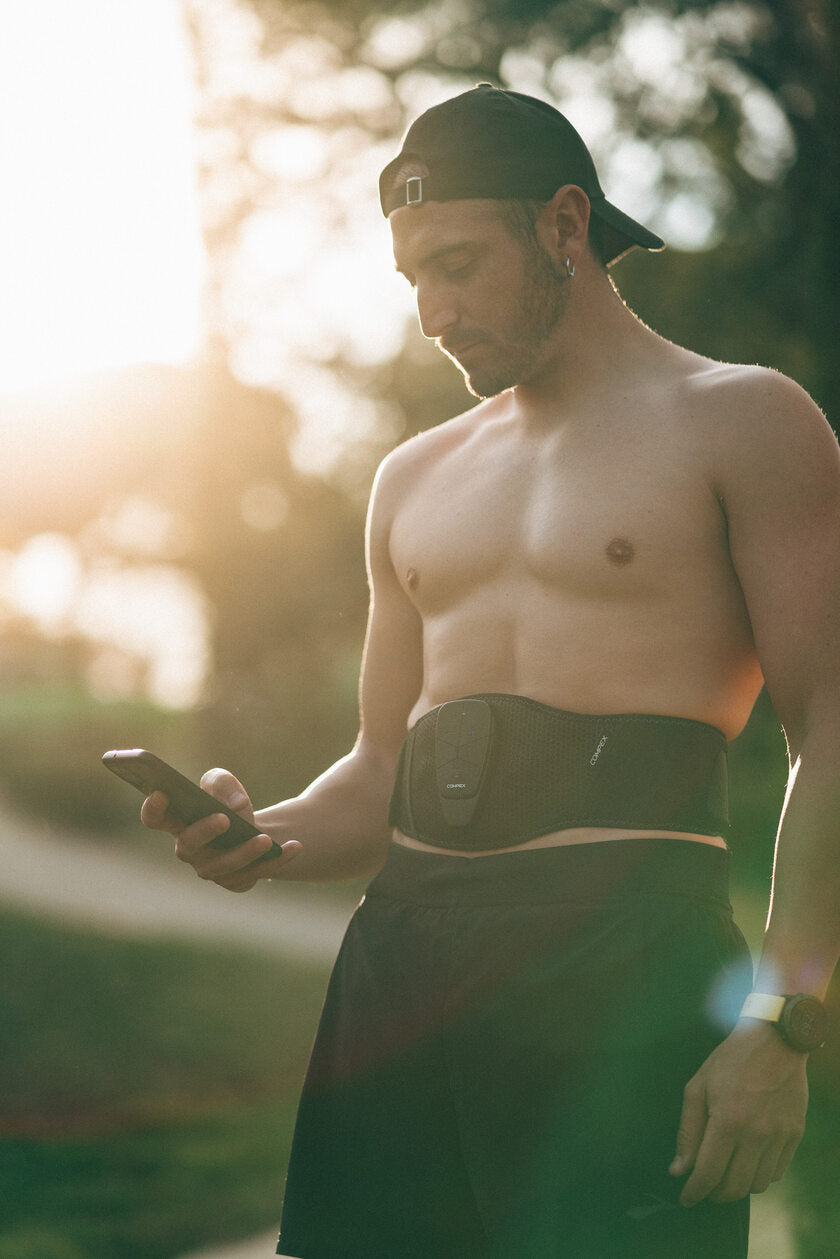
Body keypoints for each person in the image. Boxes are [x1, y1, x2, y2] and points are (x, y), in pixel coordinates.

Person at [142, 85, 840, 1257]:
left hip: (624, 970)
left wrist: (785, 1019)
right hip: (402, 974)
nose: (431, 310)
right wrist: (264, 834)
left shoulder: (745, 421)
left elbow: (828, 727)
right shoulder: (413, 478)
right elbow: (376, 772)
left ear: (565, 225)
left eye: (457, 263)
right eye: (412, 276)